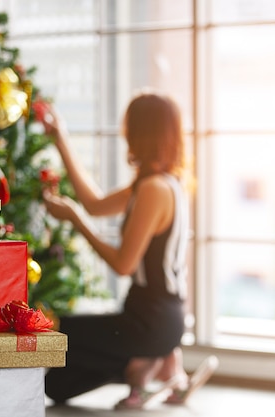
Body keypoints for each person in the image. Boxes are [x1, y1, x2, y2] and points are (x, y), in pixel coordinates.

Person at [40, 91, 218, 409]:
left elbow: (123, 265)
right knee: (57, 383)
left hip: (150, 321)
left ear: (140, 134)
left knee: (63, 332)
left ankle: (146, 368)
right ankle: (156, 366)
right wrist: (61, 140)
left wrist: (75, 220)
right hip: (158, 318)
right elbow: (94, 205)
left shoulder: (153, 189)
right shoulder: (162, 183)